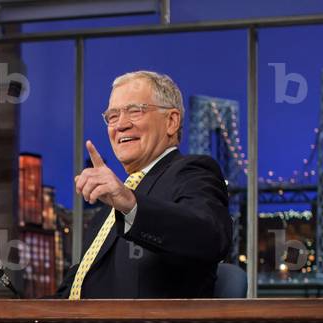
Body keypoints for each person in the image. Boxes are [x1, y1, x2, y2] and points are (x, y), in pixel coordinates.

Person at [56, 70, 232, 299]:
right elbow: (69, 295)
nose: (120, 125)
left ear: (171, 121)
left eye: (135, 111)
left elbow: (211, 237)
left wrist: (130, 205)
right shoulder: (105, 216)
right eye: (112, 116)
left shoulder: (193, 172)